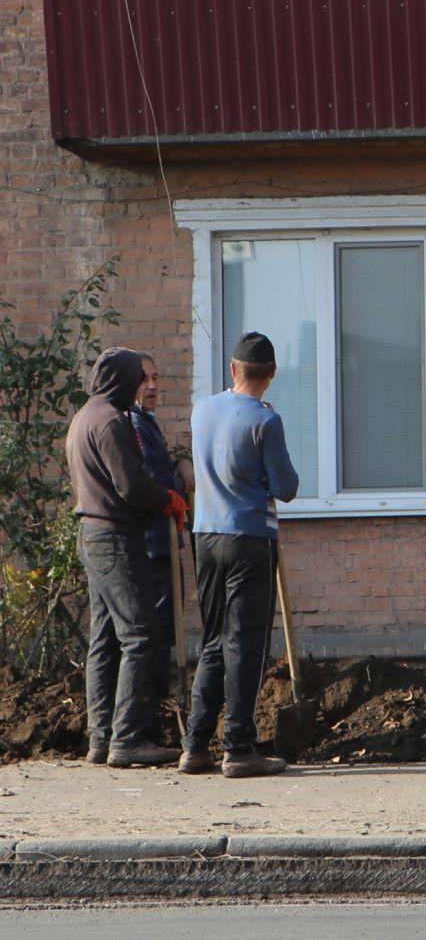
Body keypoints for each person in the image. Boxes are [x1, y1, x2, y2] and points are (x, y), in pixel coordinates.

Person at [183, 332, 300, 779]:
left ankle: (195, 746)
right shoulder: (266, 421)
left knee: (214, 639)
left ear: (233, 369)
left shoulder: (201, 410)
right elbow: (286, 487)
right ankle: (238, 749)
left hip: (206, 537)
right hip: (249, 539)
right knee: (245, 645)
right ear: (271, 375)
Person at [67, 347, 185, 767]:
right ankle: (128, 739)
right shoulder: (111, 422)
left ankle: (101, 739)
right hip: (116, 537)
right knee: (140, 635)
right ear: (123, 380)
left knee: (104, 639)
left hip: (92, 534)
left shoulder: (84, 417)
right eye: (138, 378)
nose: (142, 386)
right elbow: (131, 485)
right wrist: (168, 498)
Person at [128, 355, 193, 701]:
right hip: (153, 544)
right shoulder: (135, 426)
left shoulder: (146, 422)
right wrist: (179, 478)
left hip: (161, 542)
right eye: (144, 379)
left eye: (155, 378)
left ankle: (157, 702)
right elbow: (157, 484)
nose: (152, 386)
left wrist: (178, 463)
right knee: (158, 630)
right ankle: (152, 705)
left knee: (165, 627)